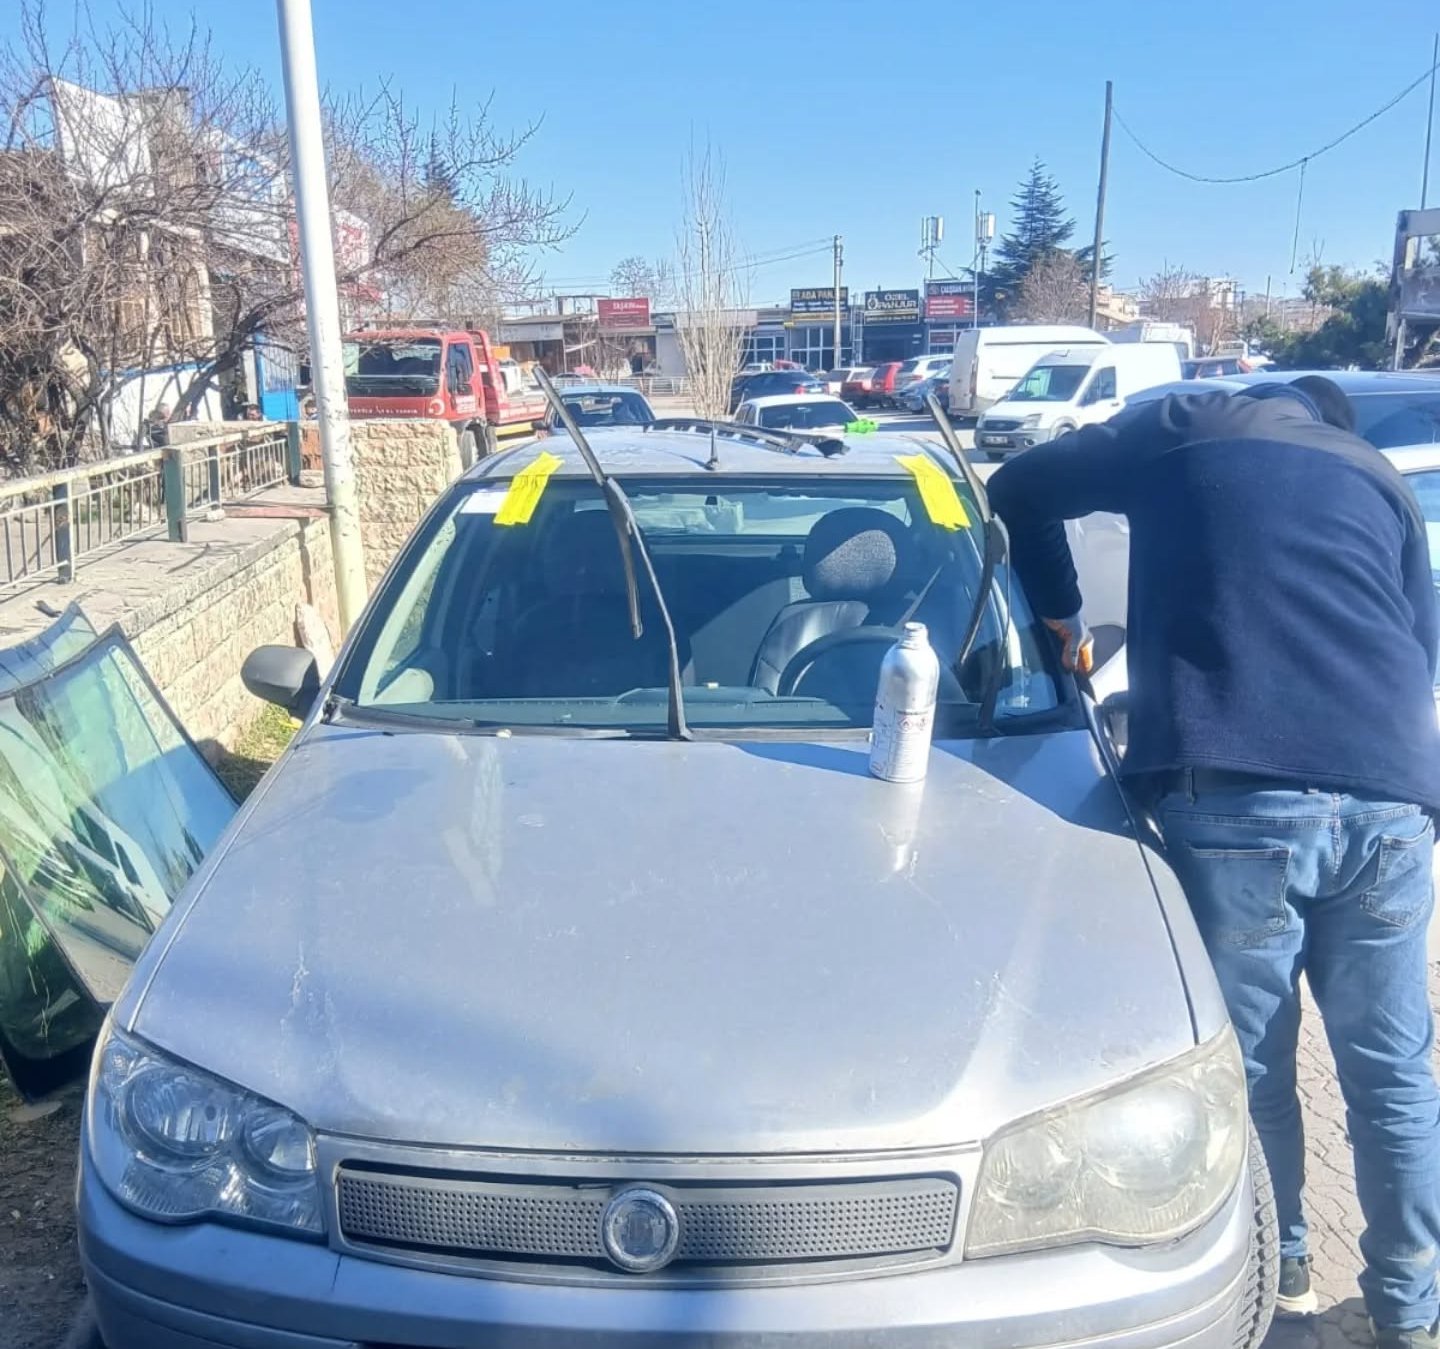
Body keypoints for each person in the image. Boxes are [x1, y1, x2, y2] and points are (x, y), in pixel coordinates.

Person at [987, 377, 1440, 1347]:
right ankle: (1413, 1314)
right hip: (1393, 798)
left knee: (1255, 1072)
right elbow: (1420, 651)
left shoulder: (1181, 423)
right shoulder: (1377, 476)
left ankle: (1281, 1295)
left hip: (1236, 791)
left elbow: (1018, 485)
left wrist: (1059, 617)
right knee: (1394, 1076)